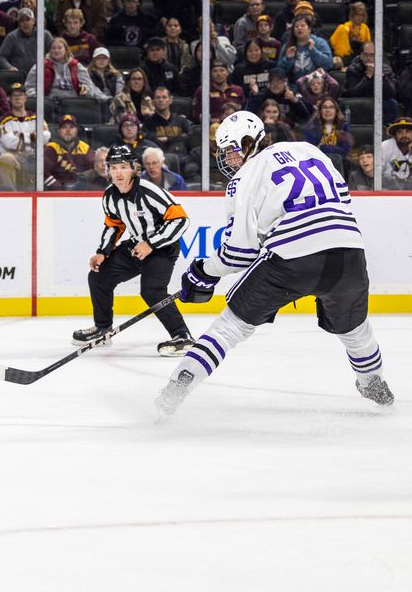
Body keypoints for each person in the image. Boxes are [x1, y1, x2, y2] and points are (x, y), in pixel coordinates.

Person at [155, 110, 394, 417]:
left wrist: (203, 272)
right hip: (350, 249)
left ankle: (173, 391)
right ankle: (374, 383)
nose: (227, 160)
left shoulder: (244, 178)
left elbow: (238, 254)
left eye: (230, 150)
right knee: (355, 327)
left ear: (248, 142)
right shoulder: (310, 150)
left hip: (293, 258)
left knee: (230, 327)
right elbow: (342, 197)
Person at [72, 144, 194, 354]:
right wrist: (103, 252)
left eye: (123, 167)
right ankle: (103, 329)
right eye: (113, 167)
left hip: (162, 247)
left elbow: (181, 220)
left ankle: (182, 335)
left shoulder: (149, 192)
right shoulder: (110, 195)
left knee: (152, 291)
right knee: (98, 277)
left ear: (133, 169)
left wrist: (152, 243)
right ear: (108, 170)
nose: (118, 172)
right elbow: (114, 225)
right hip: (137, 245)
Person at [0, 83, 49, 190]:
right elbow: (9, 143)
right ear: (9, 99)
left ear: (25, 97)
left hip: (33, 157)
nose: (17, 98)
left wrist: (20, 137)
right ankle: (11, 194)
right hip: (15, 158)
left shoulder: (36, 117)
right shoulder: (4, 120)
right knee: (5, 159)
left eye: (20, 94)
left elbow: (46, 136)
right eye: (14, 96)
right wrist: (33, 137)